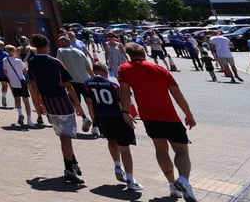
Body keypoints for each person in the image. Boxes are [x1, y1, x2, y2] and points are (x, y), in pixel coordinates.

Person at [119, 42, 198, 202]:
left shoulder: (124, 69)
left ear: (129, 55)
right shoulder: (159, 69)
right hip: (169, 116)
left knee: (161, 150)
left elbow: (124, 92)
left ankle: (172, 186)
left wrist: (125, 111)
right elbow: (177, 93)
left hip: (149, 117)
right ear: (144, 53)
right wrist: (188, 114)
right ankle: (183, 180)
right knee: (181, 151)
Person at [26, 33, 87, 185]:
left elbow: (33, 86)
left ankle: (73, 163)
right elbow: (68, 85)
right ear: (47, 46)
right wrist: (78, 105)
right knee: (66, 136)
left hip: (48, 101)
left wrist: (38, 104)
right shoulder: (55, 62)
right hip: (61, 100)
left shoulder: (31, 62)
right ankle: (69, 169)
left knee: (62, 135)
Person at [84, 61, 143, 191]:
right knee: (125, 148)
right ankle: (130, 179)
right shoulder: (113, 84)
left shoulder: (87, 83)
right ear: (105, 72)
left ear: (94, 71)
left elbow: (89, 102)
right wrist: (127, 114)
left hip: (101, 117)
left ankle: (117, 165)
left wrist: (95, 121)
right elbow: (122, 101)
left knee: (111, 140)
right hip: (117, 117)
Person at [57, 35, 96, 135]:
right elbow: (88, 67)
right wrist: (94, 79)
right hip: (85, 80)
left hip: (72, 81)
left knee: (74, 102)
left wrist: (60, 80)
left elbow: (59, 65)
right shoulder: (80, 52)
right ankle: (95, 126)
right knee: (90, 103)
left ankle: (84, 117)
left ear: (63, 42)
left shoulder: (60, 51)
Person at [2, 44, 34, 127]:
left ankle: (20, 113)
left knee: (17, 99)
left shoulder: (5, 60)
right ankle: (29, 120)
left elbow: (5, 72)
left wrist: (10, 77)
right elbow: (25, 70)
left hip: (13, 82)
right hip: (21, 81)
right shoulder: (18, 61)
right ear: (13, 51)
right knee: (26, 101)